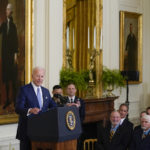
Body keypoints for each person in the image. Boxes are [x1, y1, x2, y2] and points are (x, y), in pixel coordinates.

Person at [15, 67, 56, 150]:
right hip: (27, 132)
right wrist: (30, 110)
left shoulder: (46, 91)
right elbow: (18, 108)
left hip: (43, 133)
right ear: (32, 76)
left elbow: (54, 106)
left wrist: (67, 106)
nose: (40, 79)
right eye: (37, 76)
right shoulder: (24, 89)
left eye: (42, 76)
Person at [0, 3, 18, 109]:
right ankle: (7, 100)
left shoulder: (13, 26)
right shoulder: (3, 24)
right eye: (6, 9)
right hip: (5, 55)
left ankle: (15, 101)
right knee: (6, 78)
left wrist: (15, 55)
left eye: (8, 10)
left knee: (13, 79)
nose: (6, 11)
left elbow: (15, 41)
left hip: (12, 56)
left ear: (11, 11)